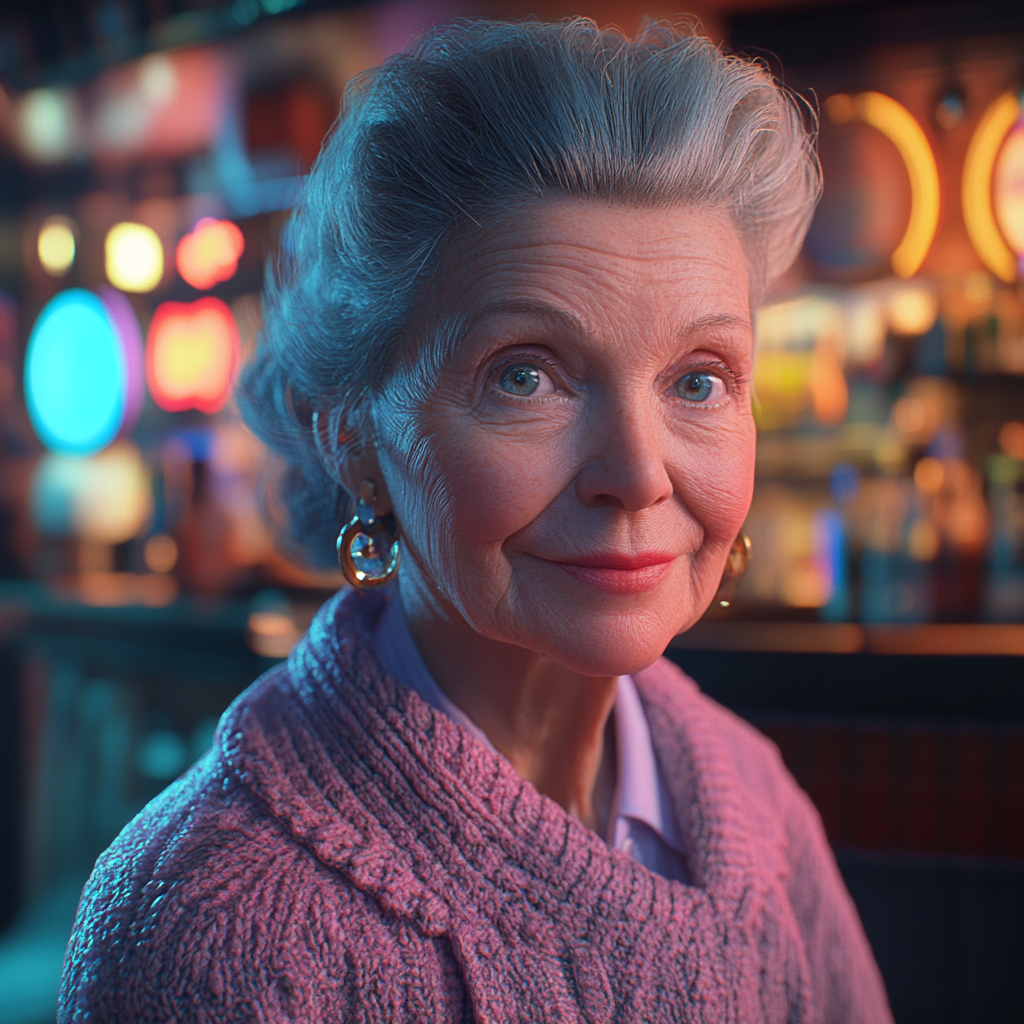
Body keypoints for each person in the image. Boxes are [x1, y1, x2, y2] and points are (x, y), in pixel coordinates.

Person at [60, 18, 892, 1022]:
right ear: (353, 437)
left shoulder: (755, 806)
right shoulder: (212, 926)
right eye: (525, 374)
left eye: (698, 379)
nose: (636, 474)